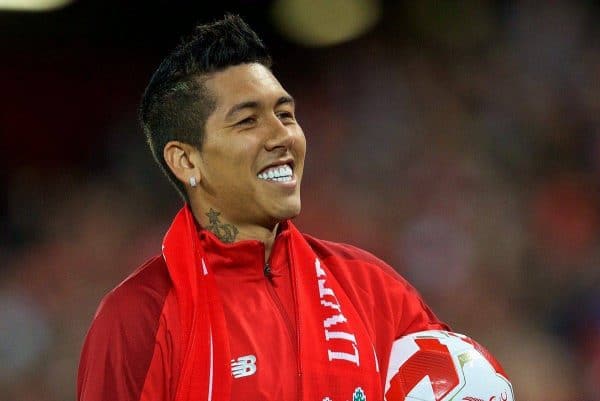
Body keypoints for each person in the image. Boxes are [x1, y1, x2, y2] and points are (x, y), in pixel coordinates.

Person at [77, 15, 448, 401]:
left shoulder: (374, 290)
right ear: (187, 162)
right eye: (248, 121)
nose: (282, 135)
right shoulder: (140, 318)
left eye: (285, 114)